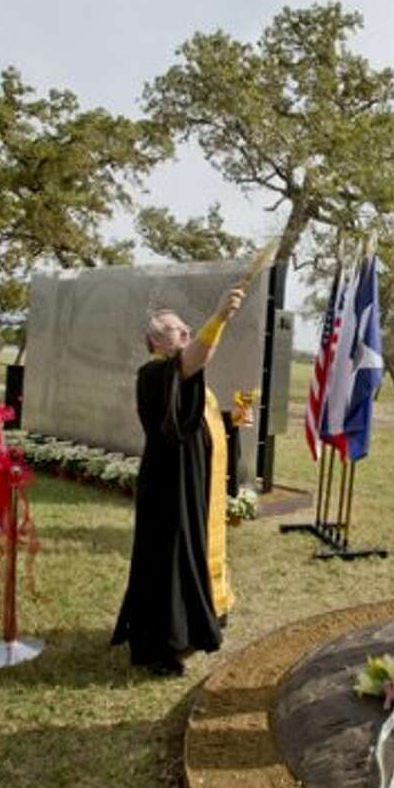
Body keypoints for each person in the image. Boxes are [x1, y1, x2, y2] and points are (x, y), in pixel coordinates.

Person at [111, 284, 245, 675]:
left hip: (193, 484)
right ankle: (161, 645)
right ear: (155, 341)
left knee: (191, 554)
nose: (184, 331)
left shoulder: (185, 378)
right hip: (167, 486)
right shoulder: (153, 373)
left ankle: (193, 625)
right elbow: (196, 357)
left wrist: (233, 424)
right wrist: (219, 317)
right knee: (167, 562)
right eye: (174, 329)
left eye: (187, 326)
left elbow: (200, 427)